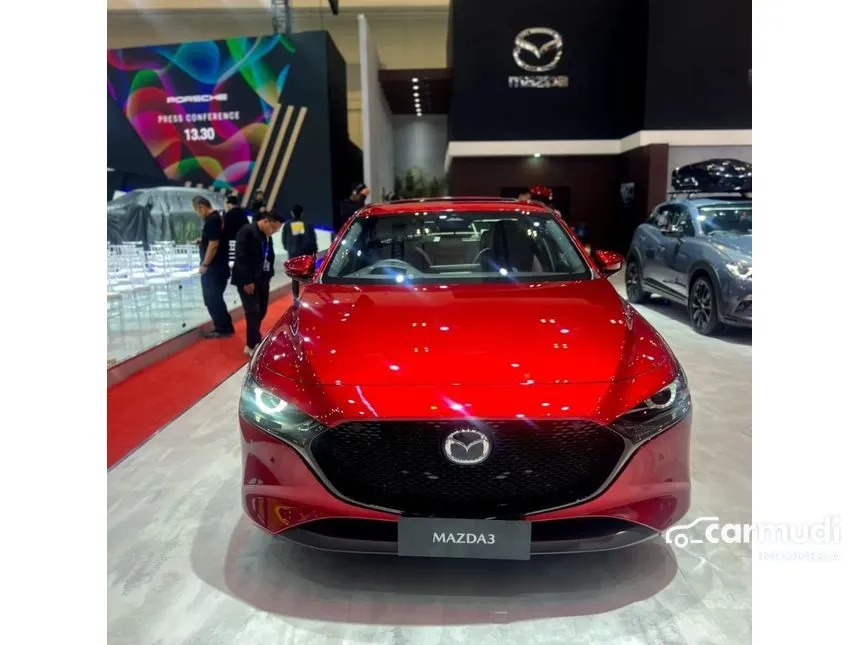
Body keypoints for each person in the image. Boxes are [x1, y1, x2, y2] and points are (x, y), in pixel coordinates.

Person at [232, 211, 285, 355]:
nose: (273, 232)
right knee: (252, 311)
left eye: (276, 230)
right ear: (266, 221)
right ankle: (252, 344)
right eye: (273, 228)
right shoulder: (246, 231)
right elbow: (240, 257)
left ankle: (255, 339)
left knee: (262, 309)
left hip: (262, 278)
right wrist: (247, 280)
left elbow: (269, 255)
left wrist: (269, 274)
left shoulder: (267, 236)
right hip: (247, 280)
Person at [193, 195, 234, 339]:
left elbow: (214, 244)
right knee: (215, 297)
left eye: (197, 211)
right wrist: (203, 241)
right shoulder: (217, 218)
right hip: (218, 267)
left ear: (201, 207)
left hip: (213, 268)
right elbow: (214, 240)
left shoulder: (212, 220)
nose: (198, 214)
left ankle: (222, 328)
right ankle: (225, 325)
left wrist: (205, 264)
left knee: (212, 298)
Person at [281, 204, 318, 299]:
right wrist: (314, 251)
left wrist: (289, 249)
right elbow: (313, 239)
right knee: (309, 275)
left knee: (294, 277)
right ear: (302, 213)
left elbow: (284, 240)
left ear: (292, 213)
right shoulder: (307, 224)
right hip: (306, 253)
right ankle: (309, 296)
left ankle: (296, 297)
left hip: (293, 253)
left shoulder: (287, 225)